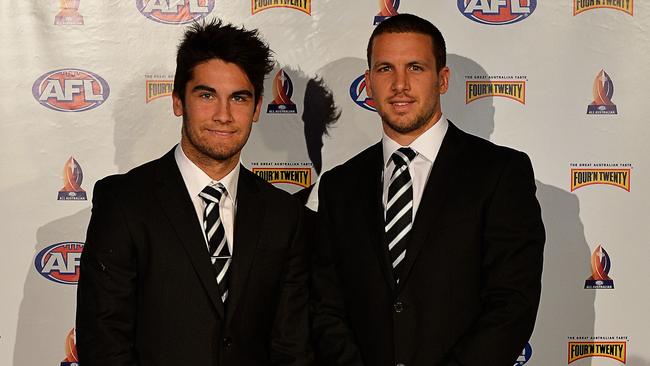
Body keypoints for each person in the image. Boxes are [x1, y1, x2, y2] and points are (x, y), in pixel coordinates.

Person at [311, 14, 545, 366]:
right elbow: (326, 305)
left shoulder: (500, 173)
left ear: (443, 79)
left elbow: (512, 302)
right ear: (369, 82)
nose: (400, 84)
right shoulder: (339, 186)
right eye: (385, 69)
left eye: (416, 68)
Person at [76, 19, 312, 366]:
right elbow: (104, 343)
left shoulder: (285, 216)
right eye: (206, 95)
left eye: (239, 98)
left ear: (258, 108)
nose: (223, 115)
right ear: (177, 101)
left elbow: (292, 349)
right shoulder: (124, 203)